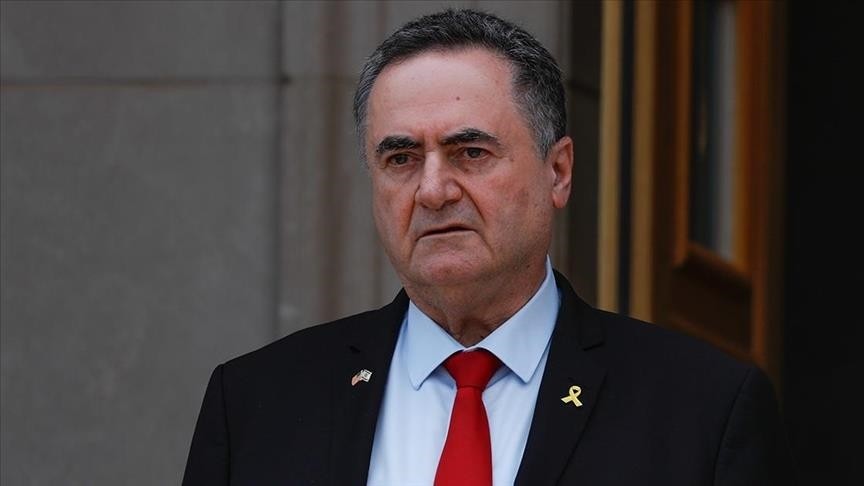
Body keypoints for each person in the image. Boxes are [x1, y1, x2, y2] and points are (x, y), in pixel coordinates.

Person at [183, 9, 790, 485]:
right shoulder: (257, 403)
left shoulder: (701, 410)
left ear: (558, 172)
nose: (433, 190)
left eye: (470, 152)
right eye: (401, 158)